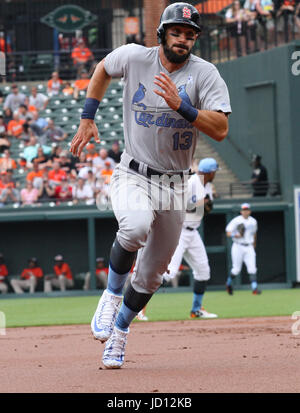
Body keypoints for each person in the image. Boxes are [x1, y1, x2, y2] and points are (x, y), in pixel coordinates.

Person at [70, 2, 231, 369]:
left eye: (190, 35)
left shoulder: (205, 74)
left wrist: (183, 107)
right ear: (162, 33)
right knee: (135, 225)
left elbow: (221, 130)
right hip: (133, 172)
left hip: (175, 185)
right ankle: (111, 295)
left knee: (152, 273)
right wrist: (86, 118)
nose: (183, 40)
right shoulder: (134, 57)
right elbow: (101, 69)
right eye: (177, 32)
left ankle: (120, 333)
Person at [162, 158, 218, 319]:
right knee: (169, 273)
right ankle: (135, 305)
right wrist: (199, 205)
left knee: (203, 271)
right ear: (210, 172)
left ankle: (196, 309)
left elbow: (205, 208)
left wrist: (205, 206)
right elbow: (174, 204)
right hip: (179, 231)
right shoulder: (192, 183)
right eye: (214, 171)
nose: (215, 174)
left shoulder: (207, 186)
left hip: (193, 232)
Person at [225, 203, 261, 295]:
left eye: (247, 210)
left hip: (249, 246)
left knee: (252, 268)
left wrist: (254, 244)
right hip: (238, 246)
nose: (245, 211)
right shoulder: (236, 221)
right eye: (244, 210)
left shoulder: (253, 221)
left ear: (250, 211)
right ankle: (228, 284)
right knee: (236, 270)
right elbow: (228, 233)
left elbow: (254, 233)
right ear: (241, 211)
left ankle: (254, 289)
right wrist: (236, 235)